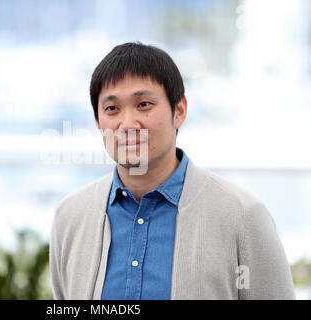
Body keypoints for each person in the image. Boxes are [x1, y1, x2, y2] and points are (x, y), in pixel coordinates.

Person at [49, 42, 295, 300]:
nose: (128, 123)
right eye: (112, 108)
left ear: (178, 111)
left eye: (143, 104)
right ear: (98, 122)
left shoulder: (242, 216)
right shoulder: (70, 216)